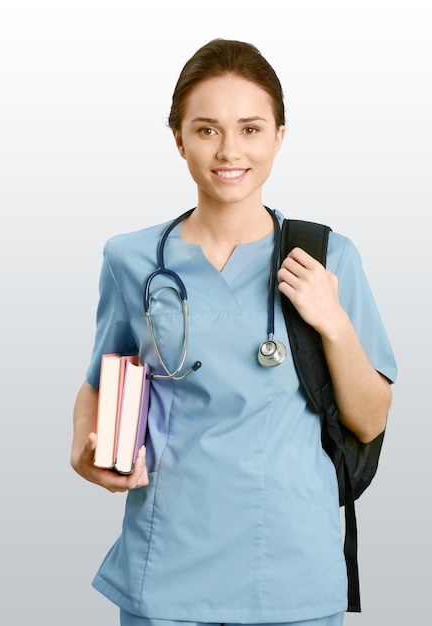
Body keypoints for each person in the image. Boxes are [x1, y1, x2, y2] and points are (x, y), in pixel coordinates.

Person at [71, 38, 397, 626]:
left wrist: (334, 322)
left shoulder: (328, 257)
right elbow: (102, 381)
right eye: (207, 129)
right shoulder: (131, 259)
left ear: (278, 136)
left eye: (250, 129)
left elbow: (371, 418)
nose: (229, 151)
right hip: (166, 565)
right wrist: (84, 449)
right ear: (179, 139)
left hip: (293, 573)